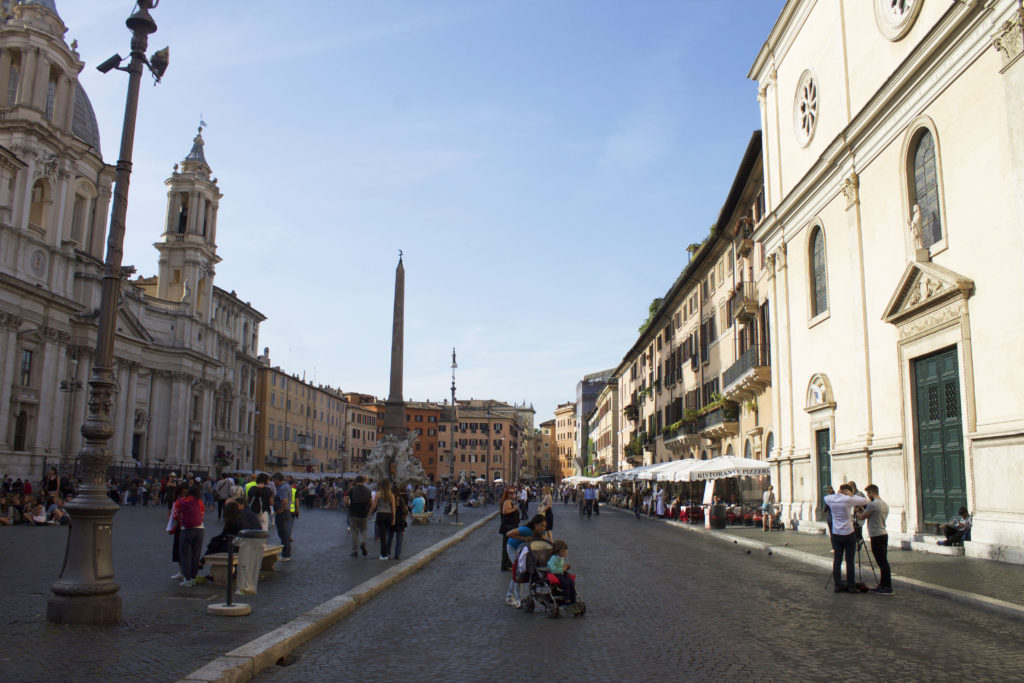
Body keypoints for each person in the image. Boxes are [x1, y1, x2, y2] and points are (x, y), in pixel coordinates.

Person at [824, 483, 868, 593]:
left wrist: (838, 493)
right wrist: (851, 495)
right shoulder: (848, 499)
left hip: (836, 533)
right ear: (848, 491)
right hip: (848, 533)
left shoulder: (830, 499)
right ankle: (851, 586)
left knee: (837, 560)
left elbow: (825, 498)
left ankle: (837, 585)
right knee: (850, 561)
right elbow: (864, 501)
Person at [504, 514, 548, 607]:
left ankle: (510, 595)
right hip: (513, 547)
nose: (543, 528)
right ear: (535, 524)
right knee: (519, 571)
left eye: (545, 526)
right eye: (541, 526)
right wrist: (524, 538)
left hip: (525, 550)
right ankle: (514, 597)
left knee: (521, 571)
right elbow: (508, 534)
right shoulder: (526, 530)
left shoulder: (542, 532)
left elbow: (544, 542)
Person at [858, 484, 892, 594]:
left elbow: (862, 517)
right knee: (883, 561)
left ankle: (887, 587)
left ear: (871, 493)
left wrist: (858, 511)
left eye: (868, 494)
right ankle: (883, 584)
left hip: (876, 536)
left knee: (882, 562)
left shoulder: (873, 504)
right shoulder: (884, 505)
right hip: (883, 534)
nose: (868, 496)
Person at [171, 483, 205, 587]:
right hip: (199, 530)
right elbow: (202, 515)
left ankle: (187, 578)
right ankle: (194, 577)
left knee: (185, 555)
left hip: (186, 530)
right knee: (195, 555)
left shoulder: (180, 501)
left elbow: (175, 516)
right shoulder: (200, 502)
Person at [345, 475, 372, 558]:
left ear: (356, 481)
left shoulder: (352, 490)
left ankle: (355, 551)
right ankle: (363, 543)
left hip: (354, 513)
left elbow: (346, 500)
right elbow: (371, 502)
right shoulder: (368, 490)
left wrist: (349, 506)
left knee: (354, 533)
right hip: (364, 513)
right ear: (363, 481)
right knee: (363, 531)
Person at [370, 479, 396, 560]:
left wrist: (369, 513)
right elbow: (393, 508)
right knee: (388, 535)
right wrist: (394, 518)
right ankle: (387, 552)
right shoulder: (391, 495)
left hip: (380, 514)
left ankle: (383, 554)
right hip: (388, 515)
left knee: (382, 535)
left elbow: (374, 506)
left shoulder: (378, 494)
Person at [546, 539, 577, 605]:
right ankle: (567, 599)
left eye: (566, 550)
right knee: (566, 583)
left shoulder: (561, 558)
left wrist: (566, 567)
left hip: (561, 573)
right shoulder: (554, 558)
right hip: (556, 574)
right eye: (563, 551)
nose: (565, 552)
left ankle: (573, 597)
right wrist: (562, 569)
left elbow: (562, 566)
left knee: (571, 581)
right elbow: (552, 570)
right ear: (557, 551)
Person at [272, 473, 295, 561]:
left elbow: (284, 500)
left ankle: (286, 554)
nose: (273, 482)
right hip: (286, 511)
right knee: (284, 533)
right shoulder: (287, 486)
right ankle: (286, 552)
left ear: (278, 479)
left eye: (274, 480)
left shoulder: (282, 488)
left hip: (283, 512)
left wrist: (280, 510)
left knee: (283, 533)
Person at [498, 487, 520, 571]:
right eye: (510, 492)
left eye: (513, 492)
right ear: (507, 494)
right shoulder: (507, 502)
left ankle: (508, 564)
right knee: (507, 546)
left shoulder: (510, 502)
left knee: (509, 546)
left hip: (511, 527)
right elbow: (505, 511)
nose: (513, 494)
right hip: (508, 528)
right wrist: (514, 508)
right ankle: (506, 565)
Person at [390, 488, 409, 561]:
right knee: (399, 539)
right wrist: (404, 519)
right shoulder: (401, 500)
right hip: (400, 521)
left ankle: (387, 552)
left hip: (392, 521)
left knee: (390, 537)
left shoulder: (391, 500)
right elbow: (405, 511)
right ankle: (397, 554)